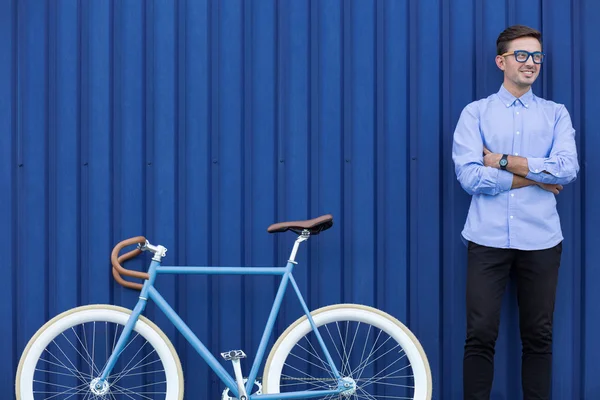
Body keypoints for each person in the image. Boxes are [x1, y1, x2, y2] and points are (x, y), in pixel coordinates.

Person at [451, 25, 579, 400]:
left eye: (537, 56)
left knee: (538, 337)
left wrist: (505, 161)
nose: (531, 63)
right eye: (521, 55)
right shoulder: (475, 113)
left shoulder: (555, 114)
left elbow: (568, 169)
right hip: (486, 238)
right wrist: (538, 177)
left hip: (541, 239)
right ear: (501, 61)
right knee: (480, 336)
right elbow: (471, 177)